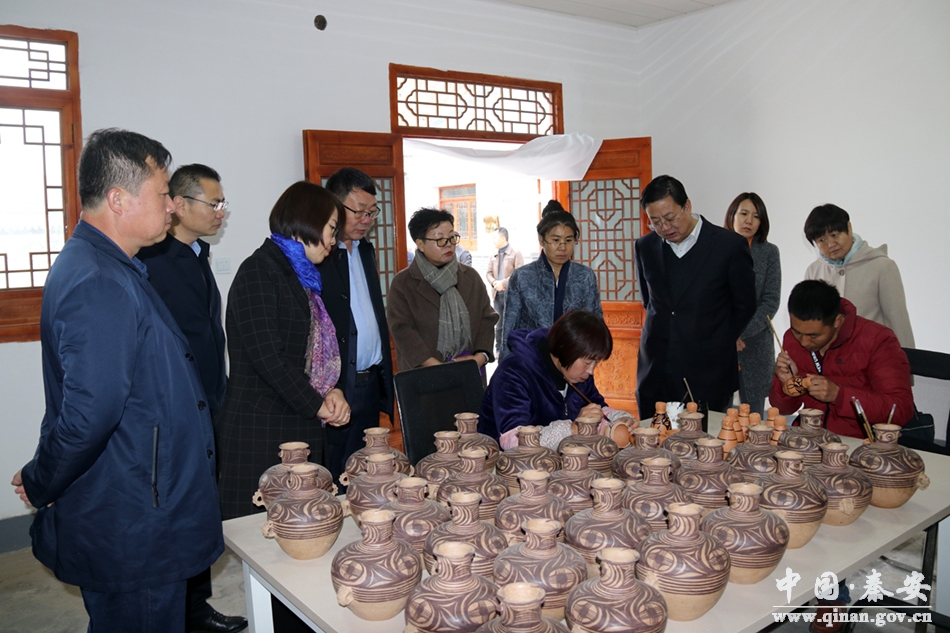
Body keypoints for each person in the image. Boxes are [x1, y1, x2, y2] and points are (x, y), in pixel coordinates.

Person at [10, 128, 223, 633]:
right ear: (118, 199)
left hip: (141, 497)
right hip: (132, 514)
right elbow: (90, 413)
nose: (171, 206)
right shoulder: (98, 280)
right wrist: (42, 479)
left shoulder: (116, 266)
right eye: (163, 193)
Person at [138, 165, 246, 633]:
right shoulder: (153, 261)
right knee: (179, 515)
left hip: (207, 401)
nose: (221, 211)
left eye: (223, 203)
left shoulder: (197, 253)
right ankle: (181, 613)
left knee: (201, 510)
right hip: (175, 412)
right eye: (213, 203)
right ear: (179, 205)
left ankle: (196, 610)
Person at [216, 182, 350, 521]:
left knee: (303, 528)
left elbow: (311, 354)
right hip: (262, 430)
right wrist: (317, 404)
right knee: (261, 533)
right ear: (309, 220)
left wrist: (331, 390)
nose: (334, 240)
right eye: (332, 229)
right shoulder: (259, 271)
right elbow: (268, 358)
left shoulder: (302, 276)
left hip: (296, 423)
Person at [634, 175, 757, 419]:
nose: (665, 228)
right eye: (655, 222)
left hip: (709, 371)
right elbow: (650, 301)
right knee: (652, 438)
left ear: (687, 206)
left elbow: (745, 304)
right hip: (656, 369)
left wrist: (716, 338)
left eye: (670, 218)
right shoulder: (645, 246)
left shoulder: (729, 246)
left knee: (706, 440)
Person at [319, 168, 395, 486]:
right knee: (336, 472)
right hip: (337, 386)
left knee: (367, 471)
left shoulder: (365, 250)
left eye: (372, 212)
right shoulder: (320, 255)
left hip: (370, 381)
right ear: (335, 206)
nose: (366, 220)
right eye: (359, 211)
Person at [770, 280, 914, 439]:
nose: (804, 342)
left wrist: (839, 396)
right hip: (808, 438)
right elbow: (784, 409)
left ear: (837, 322)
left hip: (859, 443)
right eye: (797, 332)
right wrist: (787, 386)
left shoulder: (877, 339)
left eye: (814, 336)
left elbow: (901, 410)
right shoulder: (792, 339)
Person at [387, 207, 498, 372]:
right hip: (425, 376)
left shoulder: (470, 276)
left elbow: (486, 319)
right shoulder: (403, 283)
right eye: (440, 240)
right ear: (420, 244)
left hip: (469, 372)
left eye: (452, 237)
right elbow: (402, 330)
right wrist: (440, 369)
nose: (449, 245)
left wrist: (480, 357)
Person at [480, 310, 612, 446]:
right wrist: (574, 428)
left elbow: (598, 407)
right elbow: (513, 440)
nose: (591, 371)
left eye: (596, 363)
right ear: (567, 349)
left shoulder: (578, 375)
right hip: (498, 455)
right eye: (587, 363)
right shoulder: (514, 370)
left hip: (560, 456)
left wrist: (618, 420)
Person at [803, 204, 915, 348]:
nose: (831, 244)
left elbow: (897, 320)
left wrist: (907, 359)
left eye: (834, 235)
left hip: (874, 353)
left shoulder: (882, 266)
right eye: (822, 240)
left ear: (849, 228)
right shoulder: (813, 271)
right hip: (831, 357)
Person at [501, 200, 602, 358]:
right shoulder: (522, 276)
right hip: (531, 359)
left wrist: (589, 360)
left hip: (573, 359)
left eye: (568, 241)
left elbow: (595, 323)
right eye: (556, 240)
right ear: (541, 240)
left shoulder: (584, 276)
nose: (562, 247)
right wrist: (506, 364)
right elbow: (509, 326)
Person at [723, 192, 782, 416]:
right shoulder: (715, 249)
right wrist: (727, 336)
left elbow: (770, 300)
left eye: (756, 216)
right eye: (744, 213)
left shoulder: (769, 252)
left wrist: (740, 334)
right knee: (720, 415)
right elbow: (708, 299)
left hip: (755, 344)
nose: (749, 221)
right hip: (720, 345)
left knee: (754, 416)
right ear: (732, 215)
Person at [486, 227, 524, 359]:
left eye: (495, 238)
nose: (493, 240)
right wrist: (494, 283)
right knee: (498, 324)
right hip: (497, 294)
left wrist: (503, 283)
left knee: (512, 322)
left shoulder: (515, 253)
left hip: (511, 294)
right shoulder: (493, 255)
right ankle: (498, 349)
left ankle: (512, 348)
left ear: (503, 238)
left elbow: (519, 273)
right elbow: (488, 273)